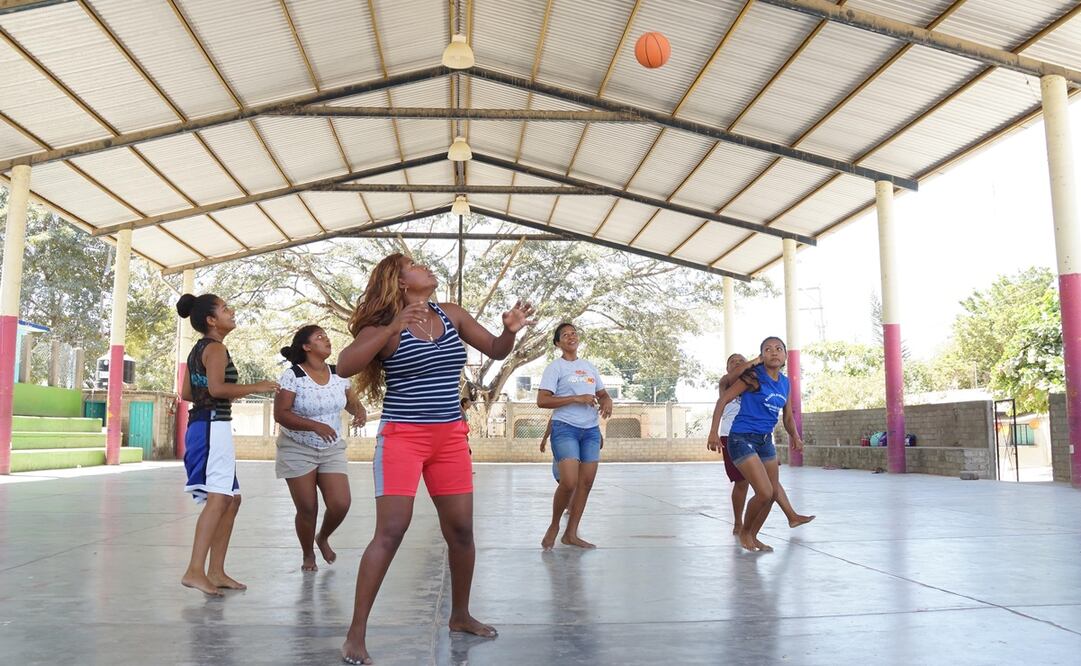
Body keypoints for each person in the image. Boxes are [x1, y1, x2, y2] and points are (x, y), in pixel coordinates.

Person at [336, 253, 535, 665]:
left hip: (450, 438)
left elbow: (496, 349)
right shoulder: (384, 327)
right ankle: (356, 634)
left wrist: (509, 330)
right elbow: (343, 366)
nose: (426, 267)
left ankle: (460, 615)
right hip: (402, 438)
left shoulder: (451, 314)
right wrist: (391, 326)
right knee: (391, 530)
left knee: (461, 530)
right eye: (415, 265)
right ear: (400, 281)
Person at [177, 293, 279, 596]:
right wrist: (258, 386)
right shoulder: (216, 348)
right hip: (211, 426)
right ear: (211, 320)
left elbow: (187, 393)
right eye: (224, 309)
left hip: (207, 425)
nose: (231, 311)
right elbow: (217, 388)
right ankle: (195, 570)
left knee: (231, 499)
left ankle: (216, 571)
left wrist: (212, 395)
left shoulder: (198, 349)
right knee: (219, 498)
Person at [273, 325, 366, 572]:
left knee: (340, 503)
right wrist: (314, 426)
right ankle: (308, 554)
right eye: (320, 337)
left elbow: (351, 402)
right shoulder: (293, 376)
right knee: (307, 508)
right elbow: (281, 414)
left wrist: (360, 411)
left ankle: (322, 537)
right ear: (306, 347)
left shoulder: (339, 373)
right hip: (297, 447)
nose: (327, 340)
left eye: (326, 336)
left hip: (331, 447)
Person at [708, 353, 813, 536]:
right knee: (741, 482)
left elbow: (780, 411)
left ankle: (791, 516)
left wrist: (792, 437)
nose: (738, 363)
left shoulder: (755, 380)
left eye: (741, 361)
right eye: (733, 362)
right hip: (732, 436)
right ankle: (739, 523)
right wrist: (757, 360)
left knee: (770, 484)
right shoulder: (726, 382)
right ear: (727, 368)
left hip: (758, 437)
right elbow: (727, 390)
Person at [723, 337, 804, 552]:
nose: (774, 352)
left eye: (779, 349)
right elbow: (723, 396)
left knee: (771, 493)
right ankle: (743, 529)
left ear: (785, 355)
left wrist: (795, 437)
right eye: (768, 349)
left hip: (765, 440)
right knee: (761, 491)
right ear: (760, 356)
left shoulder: (785, 383)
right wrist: (713, 433)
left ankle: (753, 535)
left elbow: (787, 416)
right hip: (740, 437)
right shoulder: (751, 377)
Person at [536, 323, 613, 550]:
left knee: (585, 483)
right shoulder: (555, 368)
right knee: (569, 482)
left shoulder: (589, 367)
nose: (571, 336)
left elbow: (602, 393)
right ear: (558, 343)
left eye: (574, 333)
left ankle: (571, 534)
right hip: (565, 427)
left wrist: (607, 400)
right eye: (565, 335)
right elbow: (542, 400)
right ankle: (554, 525)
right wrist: (575, 398)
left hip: (590, 431)